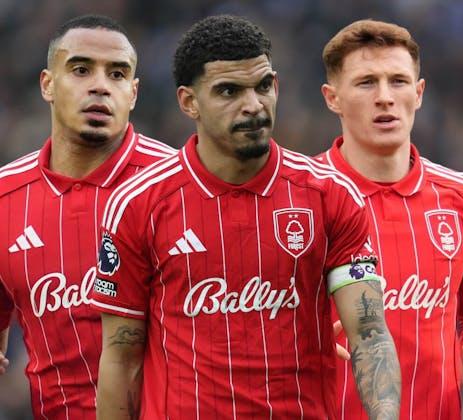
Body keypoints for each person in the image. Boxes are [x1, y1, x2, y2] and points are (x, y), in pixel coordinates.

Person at [92, 14, 400, 420]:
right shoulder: (138, 204)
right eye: (229, 91)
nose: (253, 105)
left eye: (263, 86)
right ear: (188, 102)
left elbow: (369, 333)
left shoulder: (331, 196)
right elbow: (121, 358)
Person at [317, 19, 463, 419]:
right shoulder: (299, 198)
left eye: (398, 81)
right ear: (332, 98)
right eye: (366, 83)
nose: (385, 98)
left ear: (419, 93)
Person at [0, 15, 175, 419]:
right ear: (47, 84)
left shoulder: (176, 186)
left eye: (117, 74)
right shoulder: (6, 197)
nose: (100, 85)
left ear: (133, 93)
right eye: (81, 70)